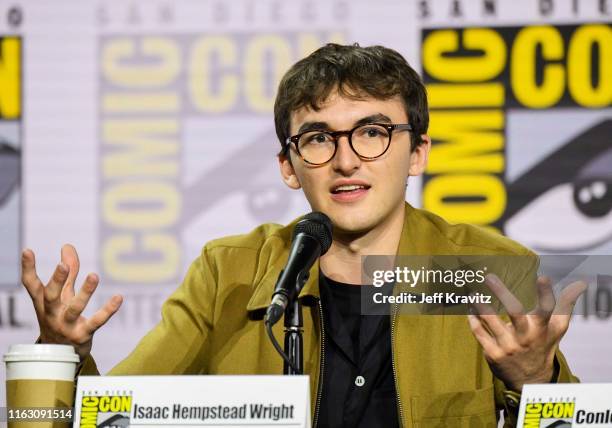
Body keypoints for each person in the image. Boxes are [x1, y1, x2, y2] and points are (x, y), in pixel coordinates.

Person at [21, 43, 585, 427]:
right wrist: (62, 357)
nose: (346, 160)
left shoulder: (487, 266)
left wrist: (535, 379)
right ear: (289, 166)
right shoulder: (229, 272)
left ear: (418, 153)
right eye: (317, 138)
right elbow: (121, 412)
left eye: (373, 132)